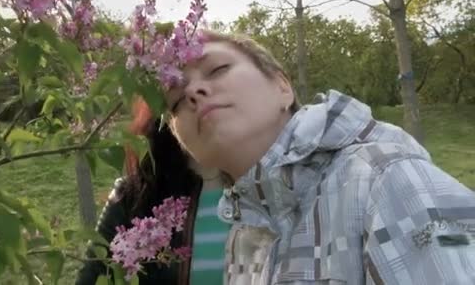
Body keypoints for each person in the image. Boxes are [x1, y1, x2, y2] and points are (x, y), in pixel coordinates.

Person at [163, 30, 475, 284]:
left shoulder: (387, 179)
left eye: (218, 69)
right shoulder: (243, 237)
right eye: (176, 101)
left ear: (282, 86)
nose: (194, 92)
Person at [75, 97, 231, 285]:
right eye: (183, 92)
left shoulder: (269, 190)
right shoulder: (133, 197)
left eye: (218, 71)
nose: (202, 91)